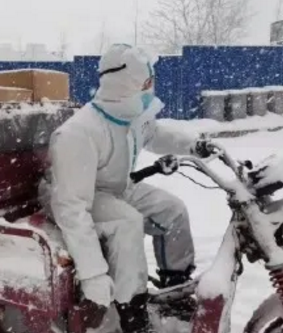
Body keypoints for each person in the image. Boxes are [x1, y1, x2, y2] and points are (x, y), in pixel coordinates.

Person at [40, 44, 215, 333]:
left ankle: (175, 288)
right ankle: (132, 311)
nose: (151, 89)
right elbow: (70, 206)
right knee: (127, 222)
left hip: (118, 187)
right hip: (80, 194)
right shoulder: (79, 133)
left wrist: (194, 146)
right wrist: (93, 275)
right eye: (146, 83)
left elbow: (154, 134)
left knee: (173, 210)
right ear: (125, 84)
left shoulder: (132, 115)